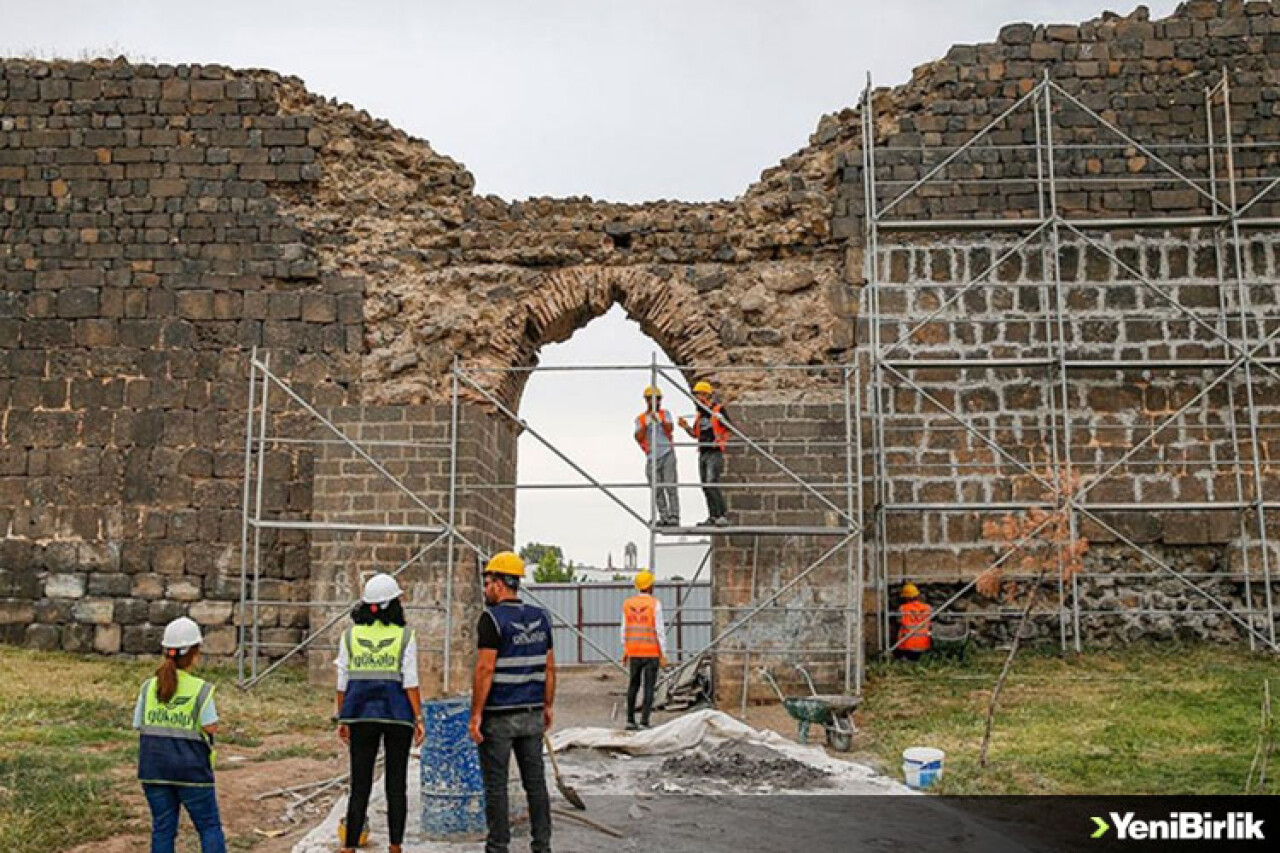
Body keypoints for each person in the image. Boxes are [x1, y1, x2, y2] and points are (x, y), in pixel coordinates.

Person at [469, 552, 555, 853]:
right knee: (536, 784)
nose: (485, 588)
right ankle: (542, 846)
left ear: (500, 583)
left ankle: (498, 848)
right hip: (531, 713)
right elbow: (549, 667)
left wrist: (475, 714)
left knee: (496, 787)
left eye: (488, 581)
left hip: (498, 718)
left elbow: (485, 669)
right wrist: (547, 705)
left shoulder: (491, 619)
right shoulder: (542, 617)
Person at [335, 573, 424, 853]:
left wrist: (343, 718)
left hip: (360, 715)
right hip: (397, 716)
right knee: (395, 784)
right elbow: (410, 682)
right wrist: (418, 718)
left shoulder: (349, 635)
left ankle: (349, 847)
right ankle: (395, 846)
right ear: (392, 605)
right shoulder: (406, 636)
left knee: (359, 783)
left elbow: (342, 682)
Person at [134, 616, 226, 853]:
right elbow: (210, 726)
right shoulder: (201, 689)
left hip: (153, 769)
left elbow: (138, 723)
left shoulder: (147, 687)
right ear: (195, 653)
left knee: (163, 829)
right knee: (208, 827)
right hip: (192, 770)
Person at [678, 380, 730, 526]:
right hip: (703, 451)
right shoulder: (700, 416)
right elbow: (695, 434)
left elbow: (729, 428)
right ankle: (713, 516)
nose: (696, 399)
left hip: (714, 451)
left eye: (698, 395)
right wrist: (685, 427)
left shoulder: (718, 410)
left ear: (705, 395)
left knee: (711, 482)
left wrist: (720, 437)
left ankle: (722, 514)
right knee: (705, 485)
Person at [621, 570, 667, 731]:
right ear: (650, 586)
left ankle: (630, 720)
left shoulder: (627, 604)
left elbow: (624, 629)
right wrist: (663, 654)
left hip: (633, 651)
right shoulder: (655, 604)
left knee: (633, 685)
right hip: (651, 652)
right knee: (649, 687)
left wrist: (625, 649)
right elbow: (659, 630)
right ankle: (644, 721)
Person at [634, 385, 680, 527]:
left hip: (666, 452)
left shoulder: (665, 414)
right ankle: (664, 516)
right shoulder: (641, 418)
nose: (653, 402)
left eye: (656, 399)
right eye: (650, 399)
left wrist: (659, 420)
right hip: (652, 456)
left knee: (670, 485)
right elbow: (638, 437)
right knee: (656, 488)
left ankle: (674, 516)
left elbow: (670, 428)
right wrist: (646, 425)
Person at [895, 582, 933, 662]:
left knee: (900, 629)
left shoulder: (902, 608)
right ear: (917, 596)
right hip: (924, 645)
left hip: (907, 646)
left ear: (905, 597)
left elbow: (898, 621)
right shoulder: (927, 607)